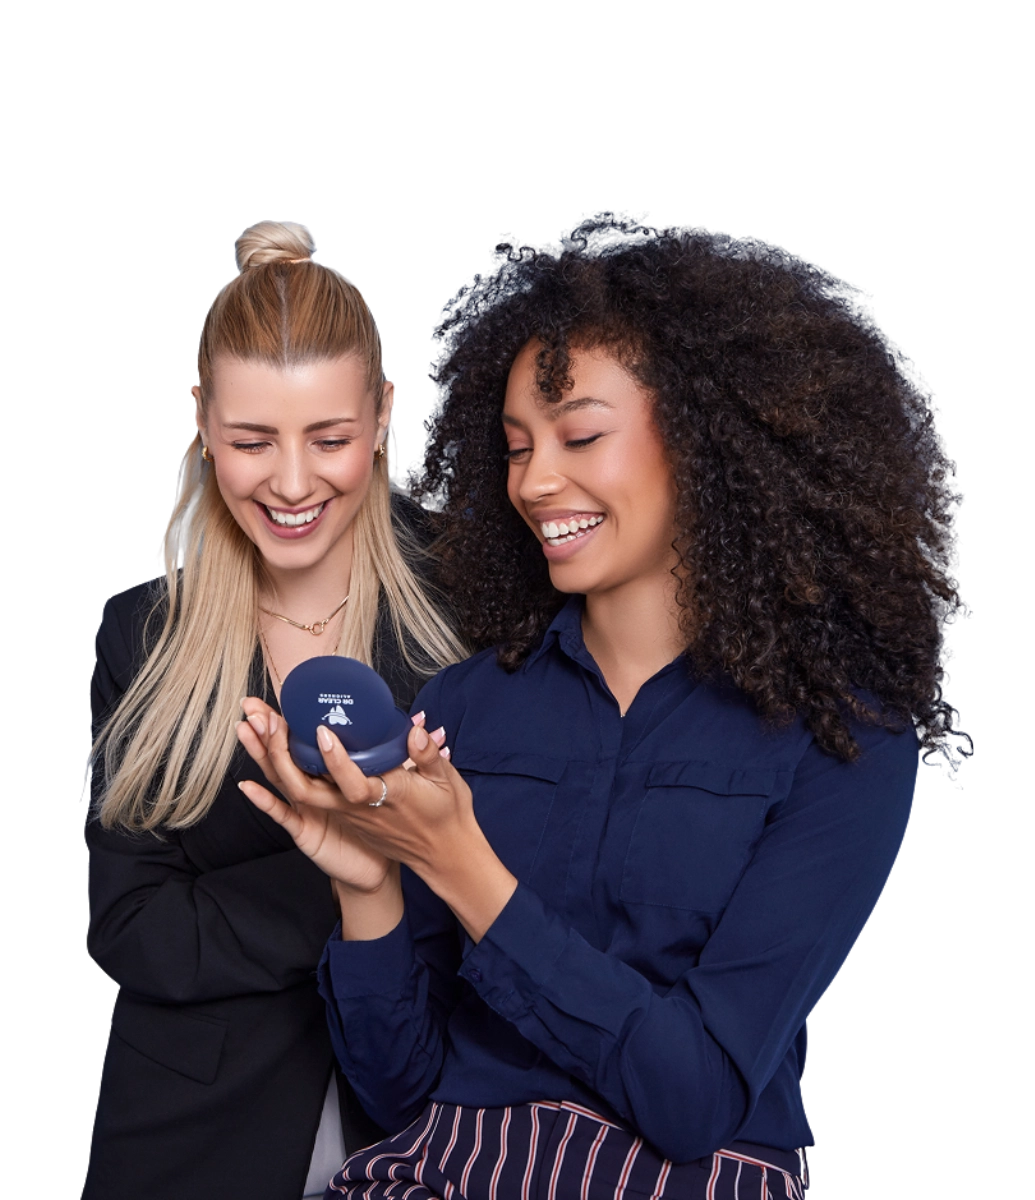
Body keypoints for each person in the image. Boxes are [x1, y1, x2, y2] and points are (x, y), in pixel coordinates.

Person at [237, 235, 953, 1198]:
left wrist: (467, 871)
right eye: (518, 445)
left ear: (704, 440)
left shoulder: (842, 742)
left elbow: (694, 1101)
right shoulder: (462, 708)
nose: (533, 483)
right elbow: (399, 1090)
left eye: (578, 437)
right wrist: (369, 886)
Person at [83, 222, 466, 1200]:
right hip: (191, 1141)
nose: (292, 485)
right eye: (252, 441)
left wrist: (277, 892)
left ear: (383, 415)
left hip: (439, 1126)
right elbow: (133, 924)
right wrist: (365, 876)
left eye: (330, 439)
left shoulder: (472, 607)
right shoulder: (142, 639)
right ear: (203, 420)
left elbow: (523, 880)